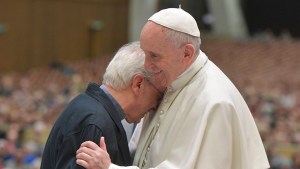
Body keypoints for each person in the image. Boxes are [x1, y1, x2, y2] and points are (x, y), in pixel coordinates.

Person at [76, 7, 270, 169]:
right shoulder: (170, 82)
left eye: (154, 56)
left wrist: (109, 168)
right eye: (144, 54)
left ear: (186, 53)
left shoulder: (214, 102)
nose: (146, 64)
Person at [40, 41, 163, 169]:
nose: (156, 105)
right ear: (138, 84)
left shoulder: (89, 107)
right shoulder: (96, 122)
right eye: (158, 94)